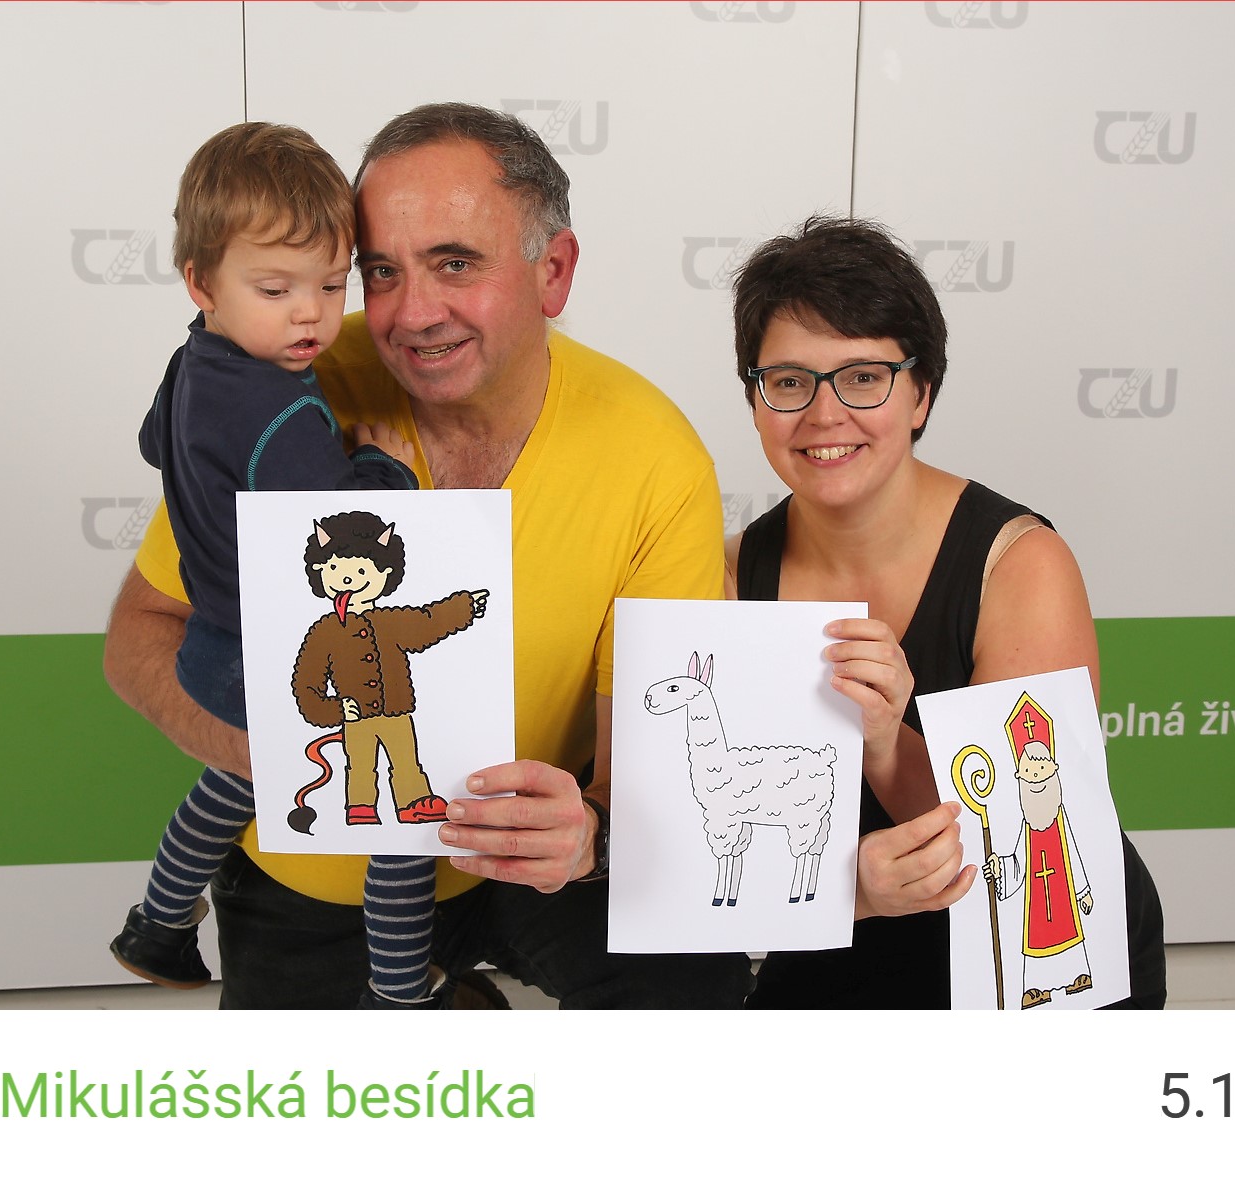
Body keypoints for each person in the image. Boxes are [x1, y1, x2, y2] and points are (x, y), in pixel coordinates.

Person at [104, 103, 755, 1009]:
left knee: (696, 994)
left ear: (553, 271)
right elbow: (138, 637)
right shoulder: (288, 388)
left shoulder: (653, 454)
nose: (411, 313)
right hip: (318, 866)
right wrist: (277, 755)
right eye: (380, 272)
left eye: (455, 264)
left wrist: (588, 834)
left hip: (528, 855)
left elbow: (644, 768)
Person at [725, 216, 1166, 1009]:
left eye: (864, 377)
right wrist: (848, 892)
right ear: (756, 400)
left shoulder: (1021, 565)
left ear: (921, 394)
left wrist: (884, 740)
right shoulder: (725, 574)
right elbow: (713, 843)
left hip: (1036, 944)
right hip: (846, 924)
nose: (823, 414)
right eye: (789, 382)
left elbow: (1024, 839)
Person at [108, 122, 459, 1009]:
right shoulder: (285, 414)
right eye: (276, 289)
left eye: (333, 285)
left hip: (213, 645)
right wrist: (381, 468)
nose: (311, 314)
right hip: (270, 652)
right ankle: (397, 988)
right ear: (201, 282)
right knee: (400, 813)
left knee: (239, 777)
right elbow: (338, 534)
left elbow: (154, 442)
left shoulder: (192, 362)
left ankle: (158, 921)